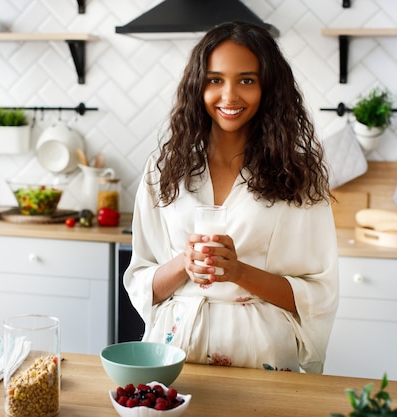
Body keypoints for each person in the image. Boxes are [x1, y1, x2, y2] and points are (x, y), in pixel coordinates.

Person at [124, 21, 338, 374]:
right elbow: (143, 285)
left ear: (268, 88)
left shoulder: (298, 176)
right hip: (176, 353)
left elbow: (318, 296)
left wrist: (238, 271)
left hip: (261, 355)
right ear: (198, 86)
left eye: (247, 80)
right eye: (215, 79)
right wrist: (185, 262)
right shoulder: (164, 168)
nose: (229, 96)